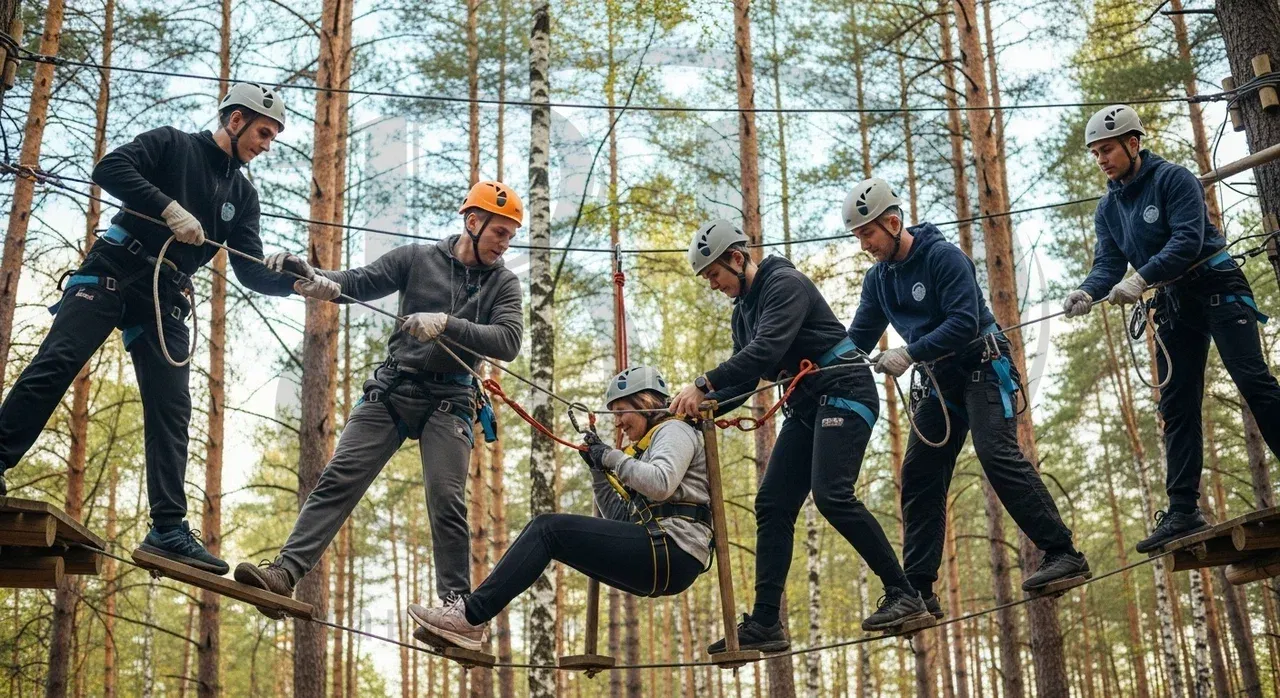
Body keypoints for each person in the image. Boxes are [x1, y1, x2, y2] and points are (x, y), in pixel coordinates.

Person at [0, 83, 326, 574]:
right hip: (114, 267)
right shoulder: (173, 143)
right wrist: (168, 209)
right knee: (58, 362)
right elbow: (109, 168)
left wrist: (295, 282)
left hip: (165, 294)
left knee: (172, 406)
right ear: (236, 120)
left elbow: (251, 270)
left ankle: (168, 530)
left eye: (274, 137)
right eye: (263, 132)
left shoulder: (243, 195)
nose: (267, 145)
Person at [234, 180, 524, 612]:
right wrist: (312, 277)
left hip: (452, 399)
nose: (505, 244)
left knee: (446, 499)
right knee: (339, 476)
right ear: (473, 221)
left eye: (511, 236)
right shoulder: (417, 258)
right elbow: (357, 282)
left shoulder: (503, 284)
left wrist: (446, 323)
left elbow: (508, 340)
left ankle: (455, 609)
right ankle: (284, 573)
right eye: (500, 232)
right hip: (394, 387)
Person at [667, 220, 929, 653]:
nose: (713, 284)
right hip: (807, 405)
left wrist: (702, 383)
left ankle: (904, 594)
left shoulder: (783, 284)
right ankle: (766, 622)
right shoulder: (742, 313)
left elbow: (766, 351)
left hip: (845, 390)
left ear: (737, 258)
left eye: (714, 274)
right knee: (772, 504)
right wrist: (694, 411)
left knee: (832, 495)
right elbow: (744, 380)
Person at [844, 178, 1087, 609]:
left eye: (868, 234)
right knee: (920, 472)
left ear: (893, 223)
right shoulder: (878, 280)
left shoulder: (943, 257)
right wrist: (815, 365)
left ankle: (1063, 552)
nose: (864, 245)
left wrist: (909, 353)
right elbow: (857, 340)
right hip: (938, 381)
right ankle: (918, 591)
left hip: (983, 364)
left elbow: (963, 322)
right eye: (858, 237)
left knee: (995, 452)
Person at [1064, 105, 1280, 553]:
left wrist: (1141, 278)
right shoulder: (1108, 208)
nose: (1101, 160)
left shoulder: (1173, 179)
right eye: (1095, 153)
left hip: (1216, 283)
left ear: (1133, 143)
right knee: (1177, 403)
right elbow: (1108, 264)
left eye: (1107, 150)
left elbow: (1187, 239)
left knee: (1253, 381)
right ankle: (1183, 510)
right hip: (1173, 300)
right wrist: (1087, 291)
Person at [406, 366, 713, 651]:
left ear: (645, 403)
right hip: (662, 554)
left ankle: (470, 618)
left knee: (547, 529)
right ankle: (471, 618)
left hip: (674, 550)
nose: (618, 422)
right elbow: (622, 519)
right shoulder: (646, 449)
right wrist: (598, 470)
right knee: (548, 534)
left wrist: (610, 457)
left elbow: (660, 483)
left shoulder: (674, 431)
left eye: (621, 411)